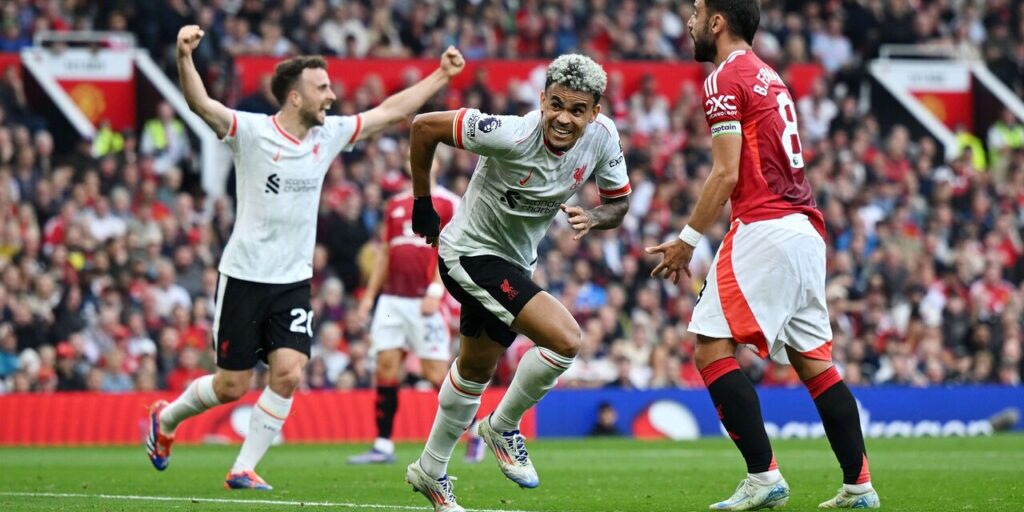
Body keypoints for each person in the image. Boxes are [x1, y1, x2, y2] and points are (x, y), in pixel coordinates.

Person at [145, 24, 465, 491]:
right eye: (322, 88)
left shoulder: (329, 135)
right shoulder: (250, 132)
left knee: (290, 372)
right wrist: (183, 57)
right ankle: (166, 418)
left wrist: (439, 75)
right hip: (244, 275)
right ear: (295, 97)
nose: (332, 96)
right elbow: (201, 105)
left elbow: (390, 112)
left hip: (293, 280)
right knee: (231, 386)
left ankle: (243, 466)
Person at [645, 1, 879, 510]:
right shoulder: (770, 76)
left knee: (709, 349)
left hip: (765, 225)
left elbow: (726, 173)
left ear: (717, 22)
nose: (688, 22)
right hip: (806, 230)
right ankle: (859, 485)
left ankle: (763, 477)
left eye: (695, 11)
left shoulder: (724, 78)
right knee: (815, 363)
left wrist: (687, 239)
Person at [404, 54, 631, 512]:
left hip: (514, 264)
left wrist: (594, 216)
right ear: (543, 99)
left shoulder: (604, 140)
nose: (564, 118)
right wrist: (422, 204)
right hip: (468, 253)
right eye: (556, 105)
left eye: (578, 110)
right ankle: (504, 424)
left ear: (596, 113)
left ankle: (430, 470)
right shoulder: (510, 132)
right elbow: (424, 126)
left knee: (473, 372)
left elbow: (619, 203)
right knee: (566, 338)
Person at [347, 160, 464, 465]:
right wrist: (369, 297)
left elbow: (452, 248)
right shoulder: (395, 204)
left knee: (434, 374)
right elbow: (386, 252)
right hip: (392, 302)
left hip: (425, 300)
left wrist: (437, 290)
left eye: (428, 156)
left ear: (438, 164)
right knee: (386, 368)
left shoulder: (449, 203)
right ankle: (383, 444)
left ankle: (475, 430)